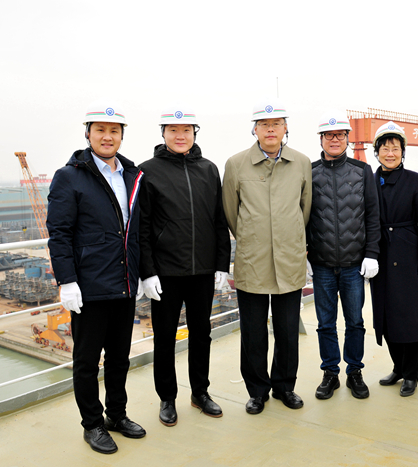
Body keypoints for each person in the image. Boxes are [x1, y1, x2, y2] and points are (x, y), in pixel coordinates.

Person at [47, 102, 146, 454]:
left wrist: (142, 274)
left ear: (122, 136)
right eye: (100, 130)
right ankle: (92, 424)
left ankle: (116, 415)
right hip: (89, 287)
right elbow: (59, 233)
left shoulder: (131, 175)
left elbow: (137, 230)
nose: (107, 137)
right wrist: (67, 281)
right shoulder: (70, 176)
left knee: (120, 358)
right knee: (87, 362)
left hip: (124, 282)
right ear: (88, 134)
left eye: (114, 131)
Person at [138, 105, 231, 425]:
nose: (181, 136)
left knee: (201, 333)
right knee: (164, 337)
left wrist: (222, 264)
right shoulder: (147, 171)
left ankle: (200, 392)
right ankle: (167, 398)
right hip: (165, 272)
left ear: (194, 133)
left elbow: (219, 220)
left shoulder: (209, 169)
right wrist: (147, 272)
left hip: (202, 270)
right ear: (163, 133)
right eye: (174, 131)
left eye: (187, 131)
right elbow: (142, 227)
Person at [222, 98, 312, 414]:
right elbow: (231, 212)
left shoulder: (301, 163)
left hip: (289, 260)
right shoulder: (236, 164)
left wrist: (288, 237)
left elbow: (305, 208)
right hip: (252, 261)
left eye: (276, 124)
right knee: (253, 332)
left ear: (286, 128)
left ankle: (285, 387)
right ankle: (257, 391)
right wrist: (253, 237)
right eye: (264, 124)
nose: (270, 129)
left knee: (287, 330)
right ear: (255, 129)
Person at [307, 110, 381, 400]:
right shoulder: (309, 172)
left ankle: (354, 372)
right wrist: (305, 256)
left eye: (339, 134)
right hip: (322, 264)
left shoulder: (362, 171)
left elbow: (373, 215)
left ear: (348, 138)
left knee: (355, 323)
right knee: (325, 324)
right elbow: (302, 216)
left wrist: (371, 253)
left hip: (353, 264)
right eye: (329, 135)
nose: (334, 139)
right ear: (321, 139)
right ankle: (330, 373)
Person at [369, 121, 418, 397]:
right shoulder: (370, 180)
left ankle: (412, 373)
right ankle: (398, 367)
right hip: (381, 255)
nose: (390, 153)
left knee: (411, 317)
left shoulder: (414, 180)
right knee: (387, 316)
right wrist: (368, 254)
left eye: (395, 148)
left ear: (403, 152)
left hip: (409, 256)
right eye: (385, 148)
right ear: (376, 151)